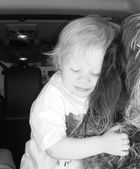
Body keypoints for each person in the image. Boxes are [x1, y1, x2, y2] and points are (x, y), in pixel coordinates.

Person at [20, 15, 130, 169]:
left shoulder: (100, 91)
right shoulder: (51, 98)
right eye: (75, 70)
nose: (84, 80)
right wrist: (103, 144)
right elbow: (55, 148)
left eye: (95, 73)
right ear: (60, 62)